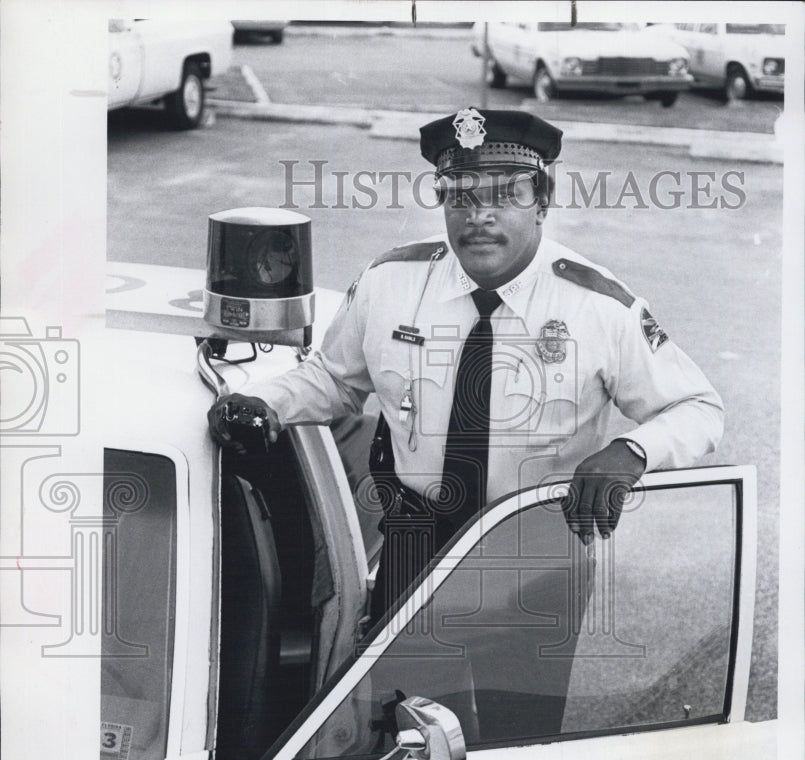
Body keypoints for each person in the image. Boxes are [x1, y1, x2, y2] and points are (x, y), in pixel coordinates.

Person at [208, 108, 724, 622]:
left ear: (541, 202)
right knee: (402, 699)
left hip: (536, 559)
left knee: (515, 702)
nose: (480, 213)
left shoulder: (598, 307)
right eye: (460, 193)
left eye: (507, 192)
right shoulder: (391, 283)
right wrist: (265, 403)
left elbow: (699, 408)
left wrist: (633, 452)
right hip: (414, 544)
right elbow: (335, 380)